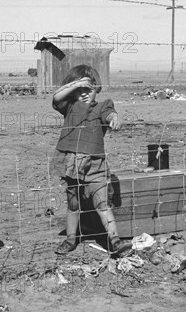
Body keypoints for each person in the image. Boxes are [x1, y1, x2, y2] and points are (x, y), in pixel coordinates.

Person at [51, 64, 130, 256]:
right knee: (73, 203)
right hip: (71, 163)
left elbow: (110, 113)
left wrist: (114, 118)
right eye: (79, 91)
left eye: (89, 89)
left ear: (97, 88)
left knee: (102, 204)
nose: (84, 94)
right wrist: (77, 83)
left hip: (95, 165)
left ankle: (115, 240)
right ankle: (71, 239)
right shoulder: (69, 107)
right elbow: (56, 97)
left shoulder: (103, 106)